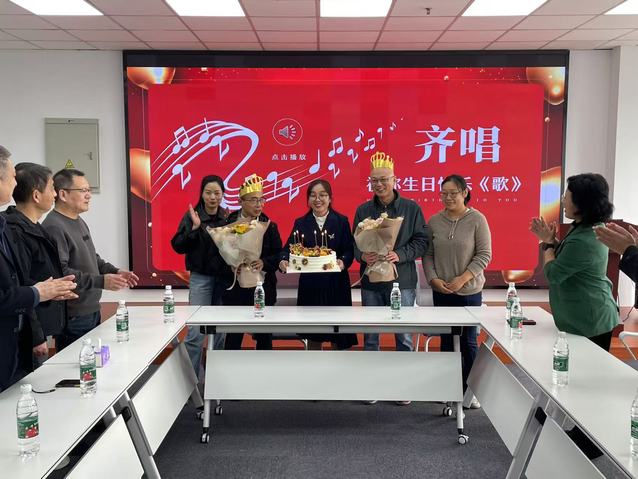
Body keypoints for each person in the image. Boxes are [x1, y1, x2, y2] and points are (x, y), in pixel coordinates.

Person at [353, 152, 428, 405]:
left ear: (395, 180)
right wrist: (363, 255)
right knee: (371, 336)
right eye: (374, 180)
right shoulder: (363, 210)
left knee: (403, 336)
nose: (379, 184)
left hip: (402, 281)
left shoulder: (411, 208)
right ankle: (372, 386)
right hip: (371, 282)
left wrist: (400, 254)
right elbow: (354, 244)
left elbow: (422, 241)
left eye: (384, 179)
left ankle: (403, 386)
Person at [0, 145, 76, 390]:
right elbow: (20, 286)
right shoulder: (15, 229)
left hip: (17, 337)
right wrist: (39, 293)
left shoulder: (6, 226)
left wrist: (48, 292)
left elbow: (19, 281)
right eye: (12, 176)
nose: (15, 183)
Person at [43, 168, 139, 350]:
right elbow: (62, 273)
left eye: (89, 190)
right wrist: (101, 281)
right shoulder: (54, 226)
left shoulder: (78, 221)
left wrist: (115, 271)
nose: (89, 195)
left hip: (91, 309)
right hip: (74, 315)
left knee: (93, 363)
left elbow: (92, 258)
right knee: (78, 365)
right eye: (83, 190)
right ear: (62, 194)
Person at [423, 174, 492, 407]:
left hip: (469, 290)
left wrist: (463, 279)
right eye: (444, 193)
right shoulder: (434, 221)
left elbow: (484, 255)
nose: (448, 197)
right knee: (446, 340)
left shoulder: (477, 219)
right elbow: (428, 254)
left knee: (468, 341)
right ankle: (448, 387)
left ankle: (471, 391)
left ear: (465, 193)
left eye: (453, 193)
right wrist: (433, 279)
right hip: (442, 290)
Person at [530, 173, 618, 350]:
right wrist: (551, 240)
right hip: (584, 314)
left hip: (591, 319)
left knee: (588, 367)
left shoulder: (585, 239)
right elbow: (568, 255)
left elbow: (553, 274)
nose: (562, 201)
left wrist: (548, 243)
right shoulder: (584, 226)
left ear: (581, 203)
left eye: (566, 197)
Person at [279, 179, 357, 350]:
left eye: (322, 195)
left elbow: (349, 249)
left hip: (336, 284)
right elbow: (287, 249)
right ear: (308, 199)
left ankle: (340, 366)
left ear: (330, 198)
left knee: (338, 333)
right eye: (313, 195)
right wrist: (283, 261)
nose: (318, 199)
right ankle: (314, 365)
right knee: (313, 332)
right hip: (311, 285)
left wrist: (343, 262)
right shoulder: (301, 223)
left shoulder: (341, 221)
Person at [5, 163, 67, 369]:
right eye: (52, 188)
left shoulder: (35, 227)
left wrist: (54, 290)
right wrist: (36, 336)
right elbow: (22, 285)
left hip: (41, 323)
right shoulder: (15, 231)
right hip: (26, 332)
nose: (55, 194)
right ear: (36, 195)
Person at [171, 175, 229, 376]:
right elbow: (177, 245)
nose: (213, 197)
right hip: (201, 279)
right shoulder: (192, 216)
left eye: (217, 193)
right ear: (202, 194)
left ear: (223, 195)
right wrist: (194, 229)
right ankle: (191, 383)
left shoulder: (227, 217)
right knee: (195, 333)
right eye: (208, 192)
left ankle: (216, 381)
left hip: (223, 280)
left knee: (220, 333)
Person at [223, 174, 282, 350]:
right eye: (253, 200)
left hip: (263, 289)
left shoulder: (269, 225)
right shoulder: (227, 224)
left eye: (261, 200)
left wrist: (264, 262)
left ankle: (265, 368)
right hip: (236, 291)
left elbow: (279, 255)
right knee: (233, 338)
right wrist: (230, 265)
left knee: (264, 338)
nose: (259, 204)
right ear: (240, 201)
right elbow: (217, 255)